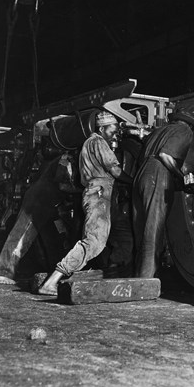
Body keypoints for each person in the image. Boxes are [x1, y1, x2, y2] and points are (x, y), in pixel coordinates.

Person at [38, 111, 132, 295]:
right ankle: (53, 280)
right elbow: (114, 168)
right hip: (99, 194)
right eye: (113, 129)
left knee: (123, 235)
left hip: (100, 193)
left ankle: (113, 271)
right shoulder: (98, 142)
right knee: (93, 242)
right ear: (102, 128)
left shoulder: (87, 144)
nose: (116, 133)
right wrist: (135, 181)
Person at [133, 108, 194, 278]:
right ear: (190, 124)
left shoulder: (159, 130)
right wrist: (181, 176)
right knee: (154, 228)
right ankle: (146, 280)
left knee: (141, 227)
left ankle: (138, 275)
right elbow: (165, 155)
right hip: (158, 173)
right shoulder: (185, 131)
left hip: (141, 174)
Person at [0, 154, 71, 284]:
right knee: (23, 234)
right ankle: (4, 272)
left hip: (50, 201)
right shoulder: (66, 159)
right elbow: (61, 184)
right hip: (40, 199)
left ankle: (56, 274)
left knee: (53, 238)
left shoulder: (62, 158)